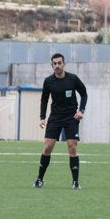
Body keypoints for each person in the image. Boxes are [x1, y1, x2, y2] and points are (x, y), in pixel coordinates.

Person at [35, 53, 87, 190]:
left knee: (72, 146)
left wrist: (81, 110)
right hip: (55, 117)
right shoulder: (48, 81)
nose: (57, 66)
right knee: (47, 147)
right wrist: (42, 117)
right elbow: (44, 99)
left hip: (71, 117)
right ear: (52, 65)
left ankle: (75, 182)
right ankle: (39, 179)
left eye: (59, 63)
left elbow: (84, 93)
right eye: (55, 64)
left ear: (64, 64)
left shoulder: (73, 79)